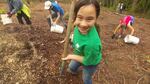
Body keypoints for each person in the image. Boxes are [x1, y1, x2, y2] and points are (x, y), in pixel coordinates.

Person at [61, 0, 102, 84]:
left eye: (89, 19)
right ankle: (74, 71)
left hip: (90, 62)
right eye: (79, 17)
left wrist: (71, 56)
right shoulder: (77, 24)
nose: (83, 24)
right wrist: (67, 37)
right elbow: (73, 26)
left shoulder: (92, 44)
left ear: (96, 18)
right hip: (79, 53)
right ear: (76, 16)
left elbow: (88, 60)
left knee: (86, 78)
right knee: (71, 67)